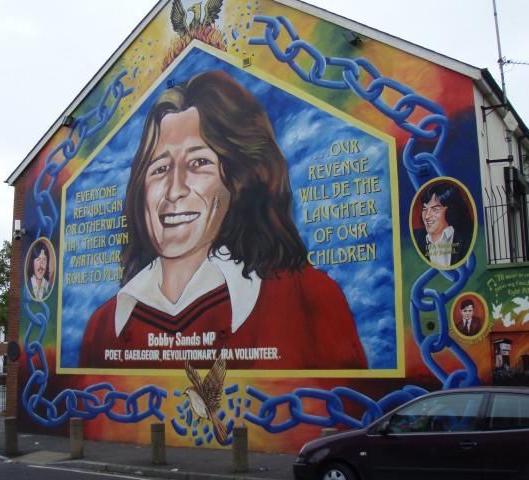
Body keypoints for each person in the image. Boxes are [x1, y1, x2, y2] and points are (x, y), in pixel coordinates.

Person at [79, 70, 368, 370]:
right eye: (160, 168)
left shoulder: (308, 299)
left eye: (199, 163)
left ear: (239, 179)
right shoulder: (104, 327)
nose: (174, 190)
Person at [413, 181, 473, 267]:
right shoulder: (416, 237)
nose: (427, 215)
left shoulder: (467, 237)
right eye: (425, 209)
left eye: (435, 209)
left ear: (451, 211)